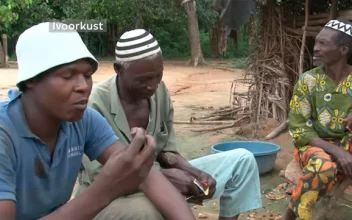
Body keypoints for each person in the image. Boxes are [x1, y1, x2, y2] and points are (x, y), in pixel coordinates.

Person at [0, 22, 196, 220]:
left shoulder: (84, 121)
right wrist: (106, 190)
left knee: (146, 209)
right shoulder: (4, 133)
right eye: (68, 76)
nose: (83, 86)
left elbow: (148, 178)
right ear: (30, 80)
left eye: (87, 75)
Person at [77, 29, 262, 220]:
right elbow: (103, 176)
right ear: (118, 70)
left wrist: (195, 173)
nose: (152, 86)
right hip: (111, 196)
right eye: (143, 80)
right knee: (149, 210)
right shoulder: (94, 104)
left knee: (243, 161)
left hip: (157, 181)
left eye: (158, 76)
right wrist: (166, 178)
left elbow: (167, 152)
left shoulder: (159, 92)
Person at [285, 19, 352, 220]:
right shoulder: (308, 80)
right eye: (317, 42)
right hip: (314, 145)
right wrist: (336, 151)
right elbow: (299, 130)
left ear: (343, 49)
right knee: (324, 168)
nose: (316, 48)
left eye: (324, 43)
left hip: (348, 143)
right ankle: (292, 215)